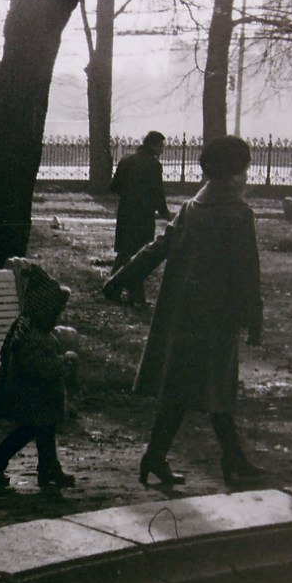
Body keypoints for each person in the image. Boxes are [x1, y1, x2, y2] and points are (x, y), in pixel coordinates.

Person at [102, 134, 264, 487]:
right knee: (215, 387)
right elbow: (246, 272)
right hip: (218, 318)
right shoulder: (239, 214)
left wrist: (119, 279)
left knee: (183, 388)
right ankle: (225, 457)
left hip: (183, 316)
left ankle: (162, 456)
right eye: (245, 169)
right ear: (236, 173)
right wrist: (253, 319)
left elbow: (156, 249)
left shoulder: (192, 209)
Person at [0, 264, 76, 494]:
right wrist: (64, 361)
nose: (58, 316)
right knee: (32, 427)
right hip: (31, 393)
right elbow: (40, 367)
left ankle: (48, 468)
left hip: (34, 393)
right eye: (56, 311)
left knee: (44, 427)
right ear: (45, 310)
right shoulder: (33, 336)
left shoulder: (29, 326)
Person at [105, 130, 171, 307]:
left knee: (125, 251)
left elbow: (114, 186)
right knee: (140, 255)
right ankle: (134, 297)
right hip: (143, 215)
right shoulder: (153, 165)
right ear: (153, 145)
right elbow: (158, 193)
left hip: (126, 212)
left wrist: (129, 196)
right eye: (161, 146)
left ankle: (113, 287)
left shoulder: (126, 160)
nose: (162, 150)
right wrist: (165, 213)